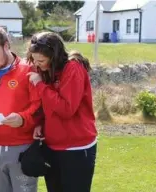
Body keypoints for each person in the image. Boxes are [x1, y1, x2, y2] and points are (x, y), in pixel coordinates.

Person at [0, 25, 42, 192]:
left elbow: (39, 106)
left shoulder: (28, 70)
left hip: (23, 148)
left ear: (6, 45)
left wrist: (22, 119)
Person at [27, 31, 98, 192]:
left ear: (54, 56)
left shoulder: (73, 69)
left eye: (41, 60)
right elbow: (46, 106)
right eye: (34, 60)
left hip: (77, 149)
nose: (37, 65)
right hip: (52, 147)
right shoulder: (46, 71)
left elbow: (66, 109)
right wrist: (40, 124)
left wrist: (40, 86)